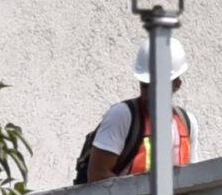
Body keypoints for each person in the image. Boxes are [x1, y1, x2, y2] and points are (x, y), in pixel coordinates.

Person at [83, 34, 197, 183]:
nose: (149, 92)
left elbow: (193, 179)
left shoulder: (187, 123)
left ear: (177, 84)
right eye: (144, 84)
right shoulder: (122, 116)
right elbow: (98, 175)